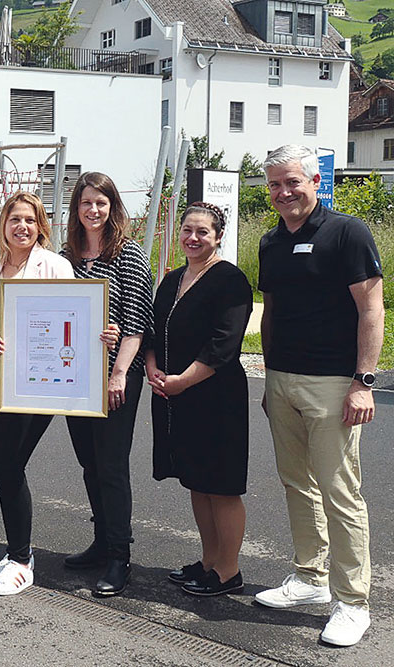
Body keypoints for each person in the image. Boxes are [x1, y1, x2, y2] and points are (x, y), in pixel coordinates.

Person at [255, 145, 383, 647]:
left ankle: (352, 602)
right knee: (296, 483)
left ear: (314, 181)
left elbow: (372, 308)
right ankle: (310, 579)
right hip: (282, 378)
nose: (284, 192)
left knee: (339, 491)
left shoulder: (347, 232)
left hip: (334, 383)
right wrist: (268, 377)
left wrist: (363, 381)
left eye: (293, 182)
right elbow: (271, 311)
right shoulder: (269, 241)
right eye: (274, 185)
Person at [0, 192, 109, 596]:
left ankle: (21, 560)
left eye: (30, 221)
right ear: (4, 224)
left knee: (10, 463)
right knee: (3, 466)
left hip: (38, 386)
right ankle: (16, 548)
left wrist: (102, 334)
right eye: (15, 219)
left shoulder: (55, 266)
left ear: (41, 227)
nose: (22, 227)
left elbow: (73, 316)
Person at [145, 203, 252, 597]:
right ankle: (208, 561)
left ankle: (229, 570)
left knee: (221, 485)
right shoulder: (172, 279)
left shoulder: (231, 280)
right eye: (188, 230)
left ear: (218, 236)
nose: (193, 237)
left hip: (215, 397)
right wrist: (152, 368)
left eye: (202, 232)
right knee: (197, 480)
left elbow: (223, 345)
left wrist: (182, 382)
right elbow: (153, 332)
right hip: (175, 394)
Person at [60, 171, 153, 597]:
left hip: (117, 376)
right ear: (76, 210)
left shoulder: (129, 254)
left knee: (112, 466)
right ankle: (101, 543)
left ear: (113, 207)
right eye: (85, 204)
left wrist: (118, 374)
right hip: (75, 375)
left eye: (101, 203)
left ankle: (120, 556)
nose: (93, 210)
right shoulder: (67, 258)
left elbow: (137, 324)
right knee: (89, 463)